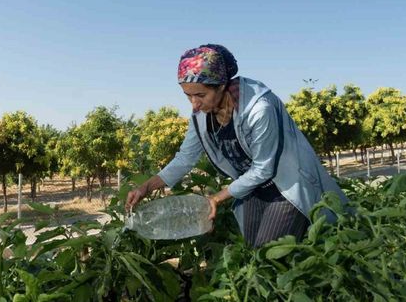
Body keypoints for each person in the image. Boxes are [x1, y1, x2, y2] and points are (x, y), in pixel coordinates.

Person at [125, 44, 348, 247]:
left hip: (286, 186)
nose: (194, 103)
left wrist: (215, 198)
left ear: (221, 85)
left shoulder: (260, 109)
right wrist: (147, 186)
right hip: (250, 189)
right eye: (188, 96)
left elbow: (264, 169)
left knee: (267, 254)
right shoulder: (200, 115)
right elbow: (185, 158)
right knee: (252, 251)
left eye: (201, 95)